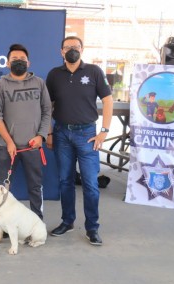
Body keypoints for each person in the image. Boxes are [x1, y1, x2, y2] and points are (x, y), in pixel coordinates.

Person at [46, 36, 113, 246]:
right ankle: (68, 221)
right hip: (61, 134)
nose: (71, 50)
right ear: (61, 51)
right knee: (65, 181)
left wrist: (104, 131)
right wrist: (48, 132)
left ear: (82, 50)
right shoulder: (54, 74)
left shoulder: (94, 71)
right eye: (68, 47)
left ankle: (92, 228)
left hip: (87, 135)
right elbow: (47, 106)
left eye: (75, 47)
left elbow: (108, 100)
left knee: (91, 184)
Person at [0, 44, 52, 221]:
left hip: (33, 147)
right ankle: (4, 224)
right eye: (15, 60)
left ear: (29, 63)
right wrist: (9, 141)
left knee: (35, 186)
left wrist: (41, 136)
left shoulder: (39, 83)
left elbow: (47, 111)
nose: (19, 62)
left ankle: (37, 222)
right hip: (7, 148)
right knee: (3, 189)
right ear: (8, 63)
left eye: (22, 59)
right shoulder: (0, 85)